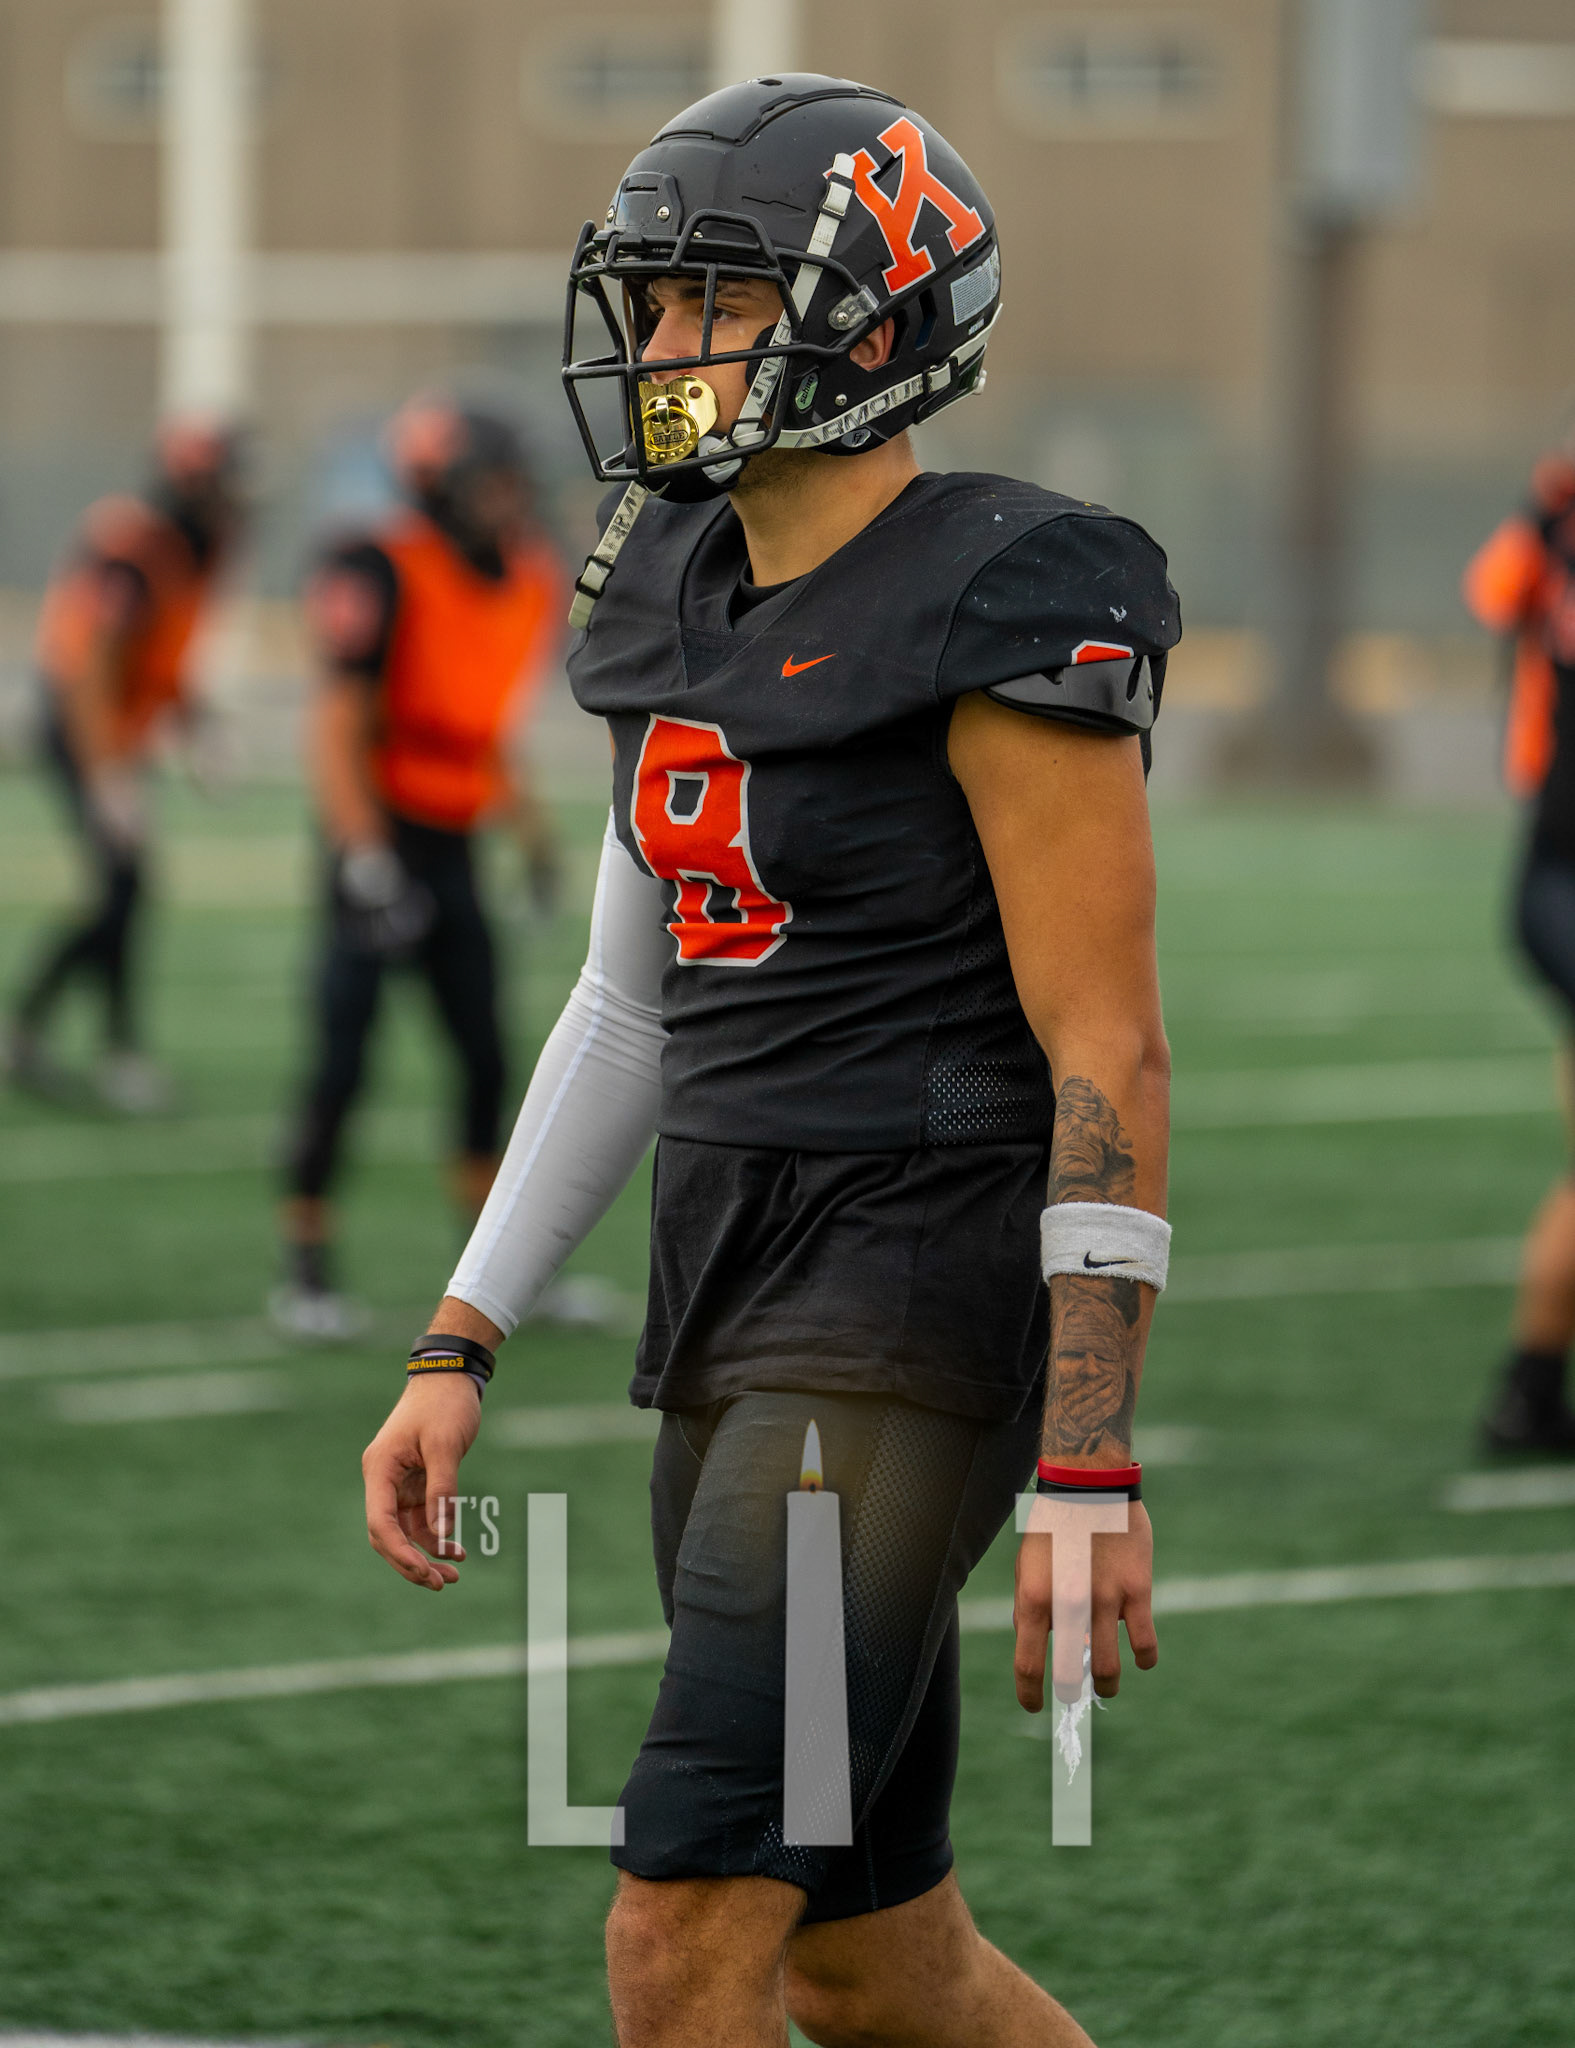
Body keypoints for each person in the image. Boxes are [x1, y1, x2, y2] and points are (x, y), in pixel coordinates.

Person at [362, 77, 1177, 2046]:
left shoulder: (1001, 589)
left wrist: (1087, 1451)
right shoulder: (663, 571)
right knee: (868, 1954)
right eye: (650, 300)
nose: (659, 347)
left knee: (682, 1926)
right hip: (725, 1287)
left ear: (878, 331)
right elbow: (626, 1002)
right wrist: (461, 1332)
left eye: (713, 303)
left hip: (901, 1309)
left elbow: (1108, 1045)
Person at [272, 397, 566, 1340]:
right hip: (379, 831)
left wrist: (533, 838)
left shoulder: (528, 575)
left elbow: (487, 728)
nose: (508, 499)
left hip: (453, 843)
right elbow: (335, 726)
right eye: (489, 482)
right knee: (343, 1056)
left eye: (513, 481)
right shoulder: (381, 564)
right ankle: (305, 1265)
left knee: (485, 1056)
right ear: (439, 484)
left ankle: (493, 1271)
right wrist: (364, 858)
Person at [4, 414, 244, 1113]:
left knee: (123, 892)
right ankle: (100, 1047)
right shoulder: (132, 544)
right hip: (78, 726)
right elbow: (91, 670)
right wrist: (108, 778)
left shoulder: (202, 546)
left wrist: (197, 724)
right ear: (191, 481)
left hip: (116, 730)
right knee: (121, 888)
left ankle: (53, 1035)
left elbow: (161, 655)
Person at [1466, 445, 1575, 1452]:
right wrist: (1540, 513)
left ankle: (1530, 1388)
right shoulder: (1550, 526)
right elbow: (1493, 591)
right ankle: (1528, 1387)